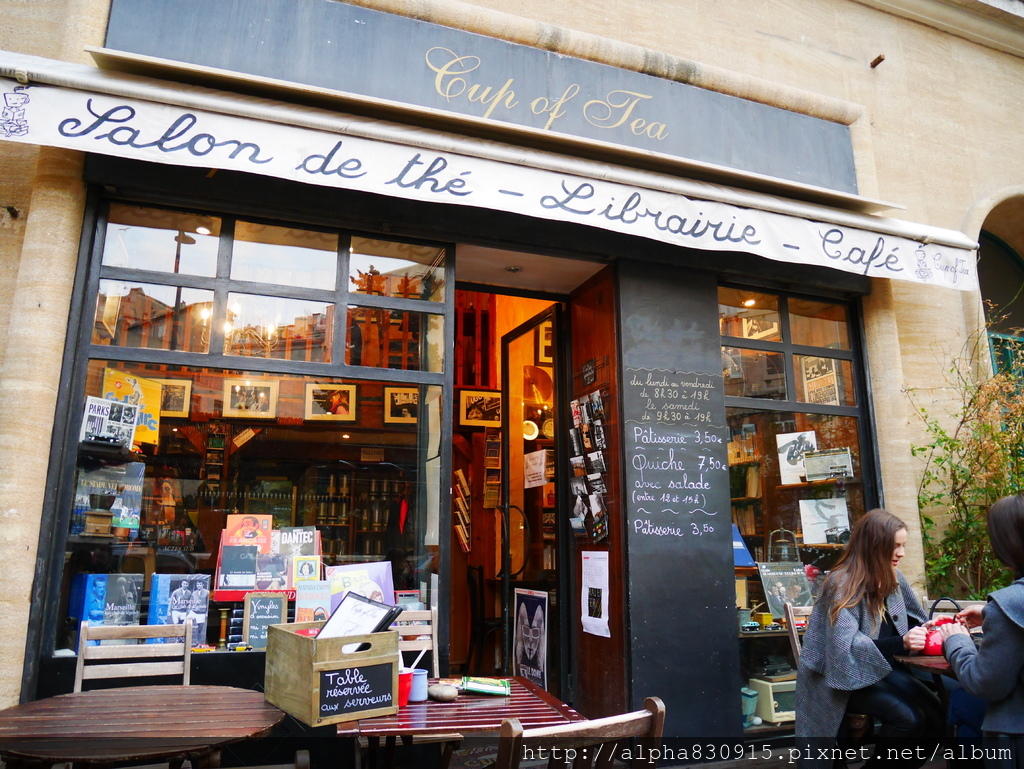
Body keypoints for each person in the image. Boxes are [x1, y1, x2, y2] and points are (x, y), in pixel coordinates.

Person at [796, 508, 944, 769]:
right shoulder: (842, 583)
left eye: (903, 545)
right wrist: (903, 642)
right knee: (909, 720)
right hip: (837, 677)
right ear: (874, 545)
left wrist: (926, 628)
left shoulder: (893, 576)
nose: (901, 553)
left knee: (937, 716)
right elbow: (844, 650)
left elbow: (908, 619)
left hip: (879, 669)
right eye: (895, 546)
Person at [939, 494, 1024, 767]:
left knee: (961, 703)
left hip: (1016, 737)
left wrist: (957, 642)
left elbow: (985, 684)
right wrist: (990, 613)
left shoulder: (1009, 604)